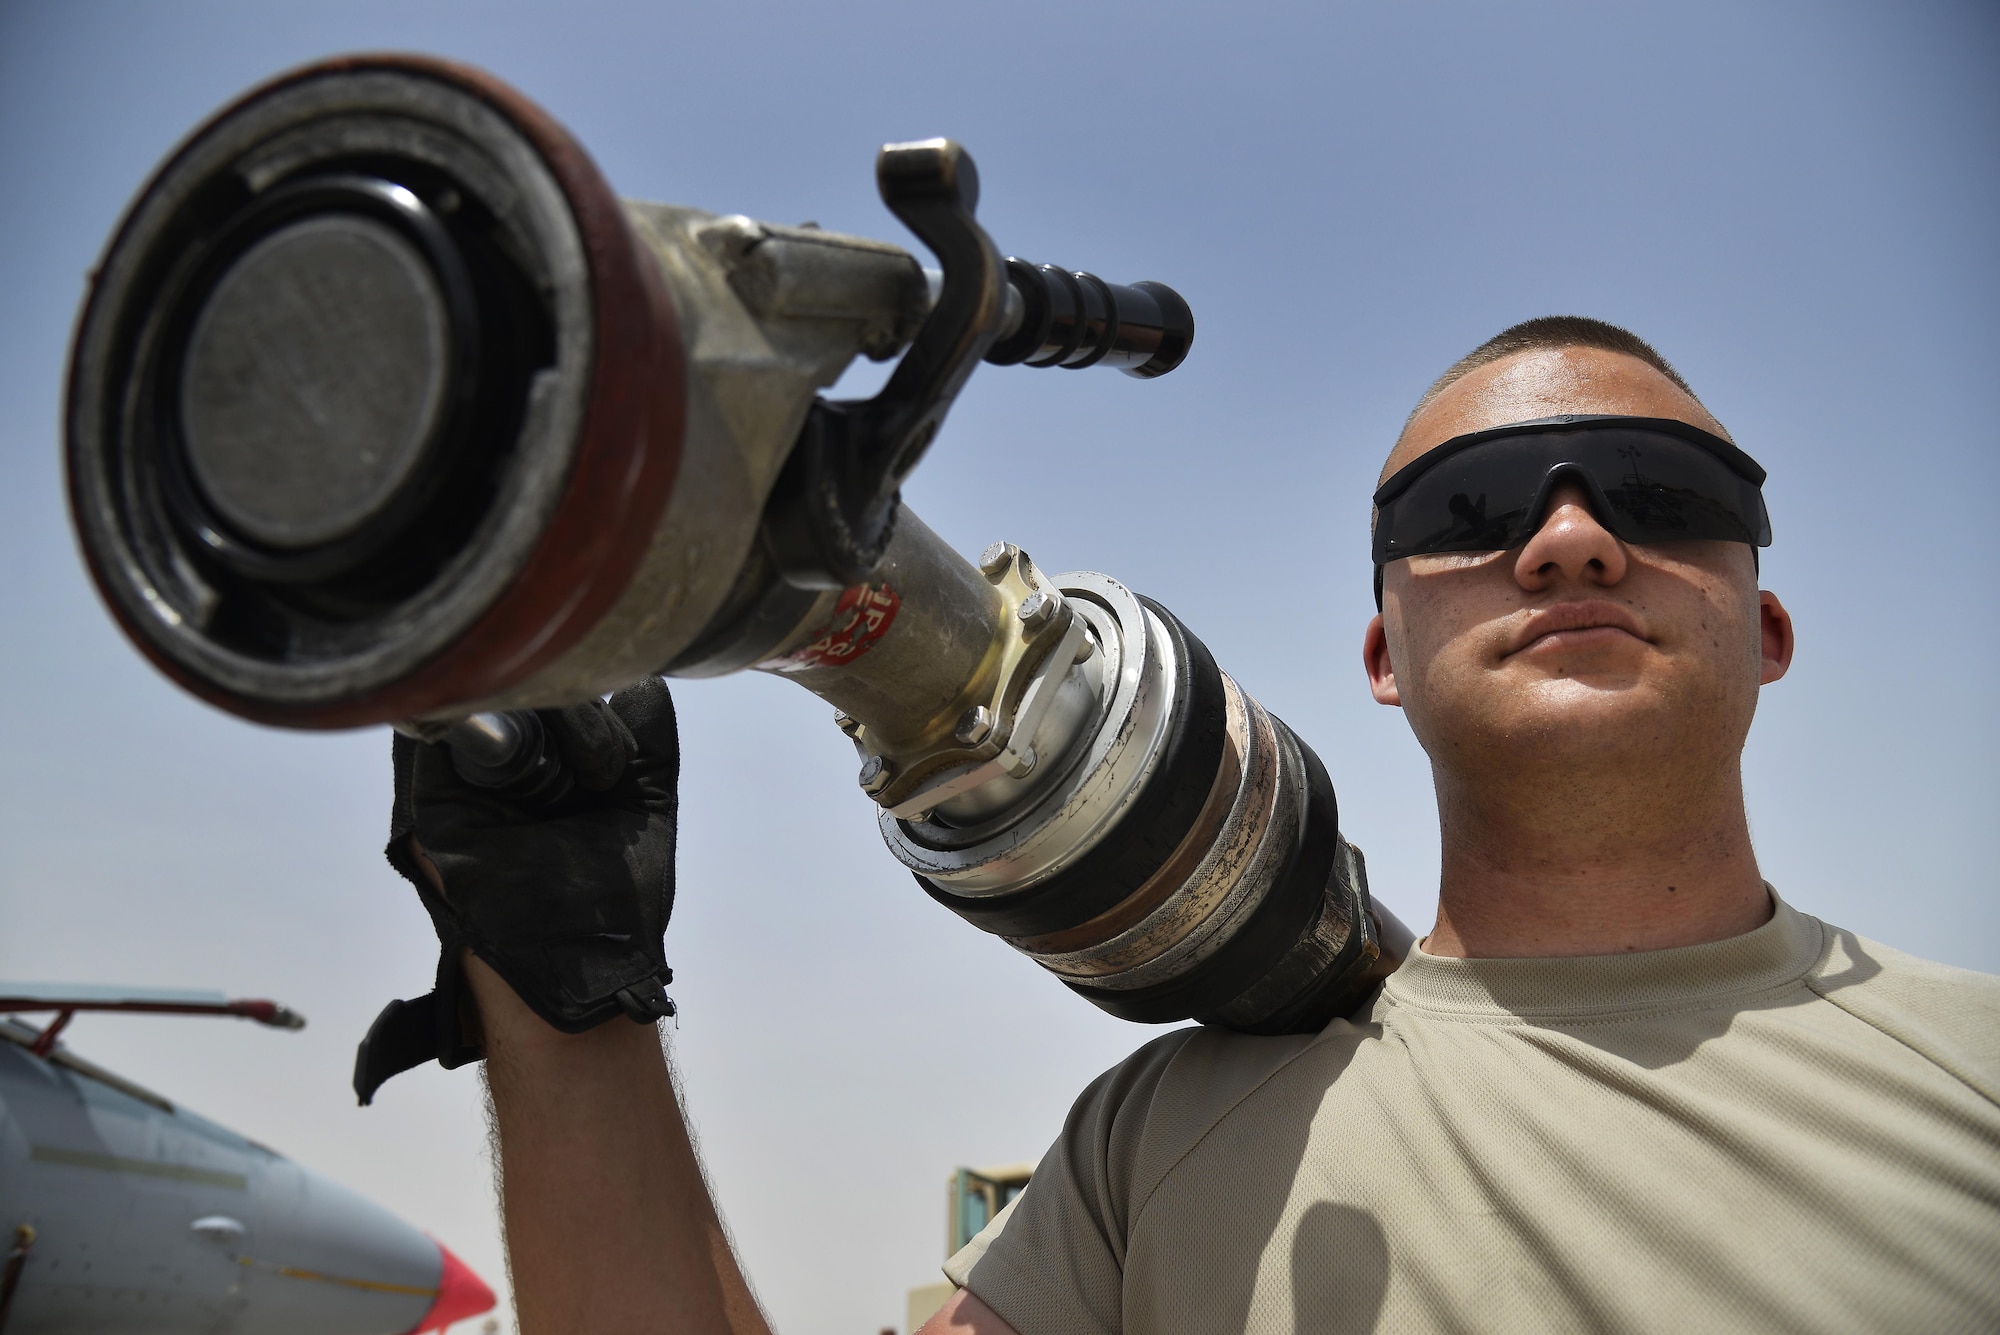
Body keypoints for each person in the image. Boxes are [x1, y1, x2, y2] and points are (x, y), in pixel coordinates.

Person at [374, 316, 2000, 1334]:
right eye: (1473, 512)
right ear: (1383, 657)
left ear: (1769, 628)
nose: (1570, 539)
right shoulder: (1151, 1151)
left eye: (1662, 497)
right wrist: (556, 971)